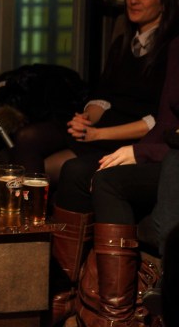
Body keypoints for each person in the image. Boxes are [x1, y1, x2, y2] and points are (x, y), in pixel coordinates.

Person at [3, 0, 179, 325]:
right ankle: (52, 272)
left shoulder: (169, 47)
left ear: (164, 2)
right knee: (29, 138)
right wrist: (88, 119)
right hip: (112, 125)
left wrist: (102, 135)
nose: (134, 0)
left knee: (72, 169)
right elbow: (105, 94)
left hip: (136, 133)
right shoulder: (124, 41)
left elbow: (157, 120)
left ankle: (105, 305)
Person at [47, 35, 179, 327]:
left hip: (174, 160)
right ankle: (65, 297)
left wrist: (142, 152)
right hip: (166, 150)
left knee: (108, 181)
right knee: (75, 171)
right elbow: (166, 121)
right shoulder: (176, 46)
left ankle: (115, 316)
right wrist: (138, 151)